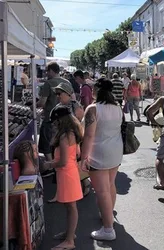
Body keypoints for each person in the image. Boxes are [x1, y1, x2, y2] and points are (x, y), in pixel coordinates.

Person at [80, 78, 123, 241]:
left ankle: (108, 228)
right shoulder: (117, 106)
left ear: (96, 90)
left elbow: (89, 135)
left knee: (102, 191)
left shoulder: (93, 109)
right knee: (110, 185)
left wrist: (84, 157)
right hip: (115, 151)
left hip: (98, 152)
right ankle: (108, 216)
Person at [43, 105, 83, 250]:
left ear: (61, 120)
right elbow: (76, 154)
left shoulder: (65, 136)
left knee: (71, 207)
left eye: (55, 121)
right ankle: (70, 234)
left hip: (66, 173)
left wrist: (48, 165)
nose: (54, 124)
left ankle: (69, 240)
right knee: (69, 206)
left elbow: (63, 161)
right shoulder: (73, 132)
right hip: (69, 172)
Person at [47, 82, 86, 203]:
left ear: (68, 94)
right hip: (59, 141)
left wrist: (78, 144)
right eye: (57, 94)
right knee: (62, 168)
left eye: (60, 93)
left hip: (70, 143)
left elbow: (80, 125)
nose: (58, 96)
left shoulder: (75, 106)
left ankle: (81, 188)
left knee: (72, 167)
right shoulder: (58, 107)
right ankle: (61, 193)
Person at [37, 62, 71, 175]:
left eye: (47, 71)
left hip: (50, 118)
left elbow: (42, 102)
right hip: (66, 118)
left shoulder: (48, 83)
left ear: (51, 70)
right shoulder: (67, 82)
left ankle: (50, 167)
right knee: (61, 143)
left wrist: (33, 103)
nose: (46, 73)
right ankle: (59, 165)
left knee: (46, 143)